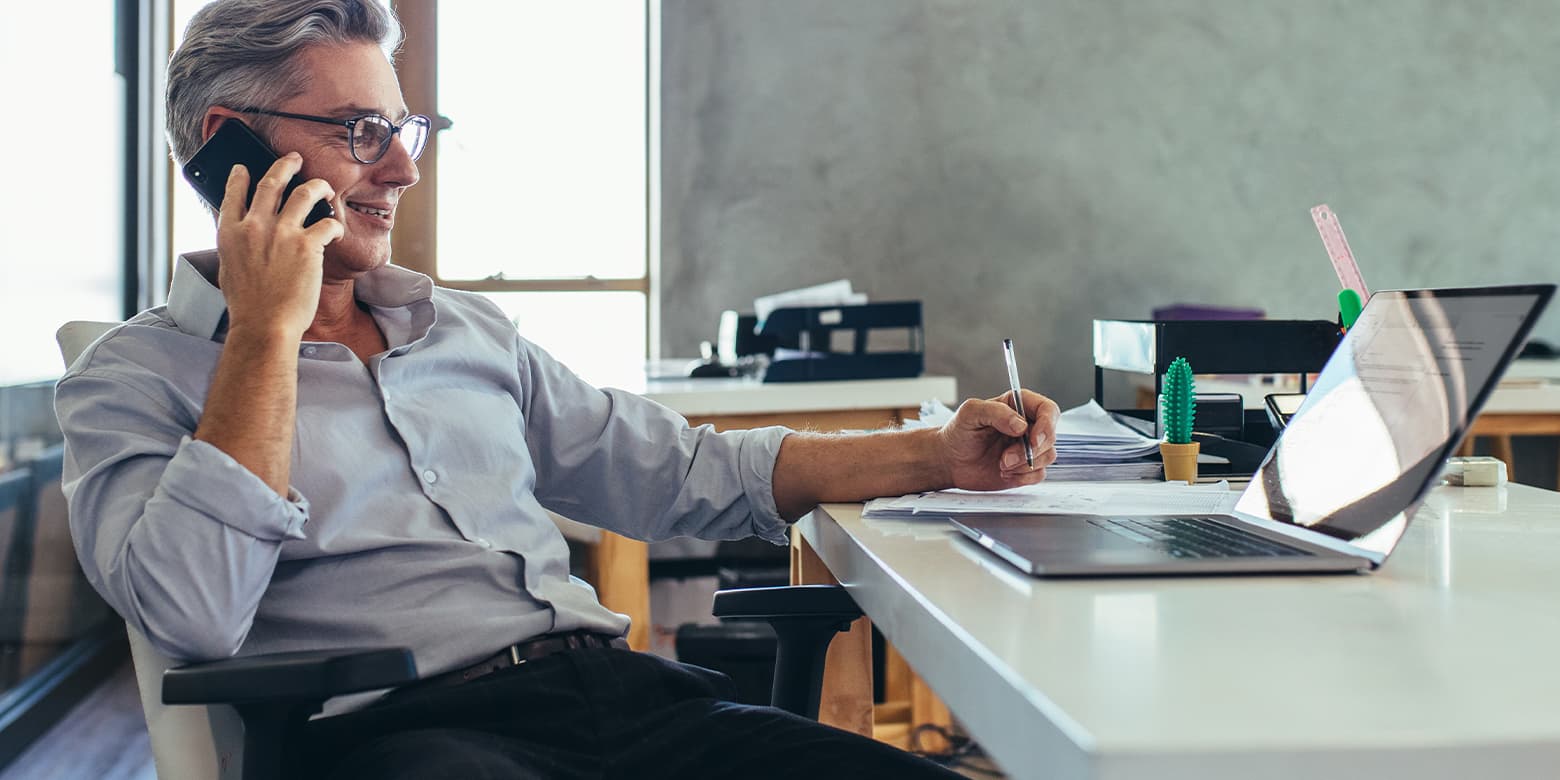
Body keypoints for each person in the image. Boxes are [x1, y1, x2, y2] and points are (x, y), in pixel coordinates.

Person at [56, 1, 1059, 778]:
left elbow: (691, 473)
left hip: (625, 702)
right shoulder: (133, 379)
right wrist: (267, 333)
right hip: (412, 741)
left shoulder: (461, 332)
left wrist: (937, 452)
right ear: (233, 145)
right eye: (362, 129)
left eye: (405, 126)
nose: (403, 167)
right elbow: (191, 614)